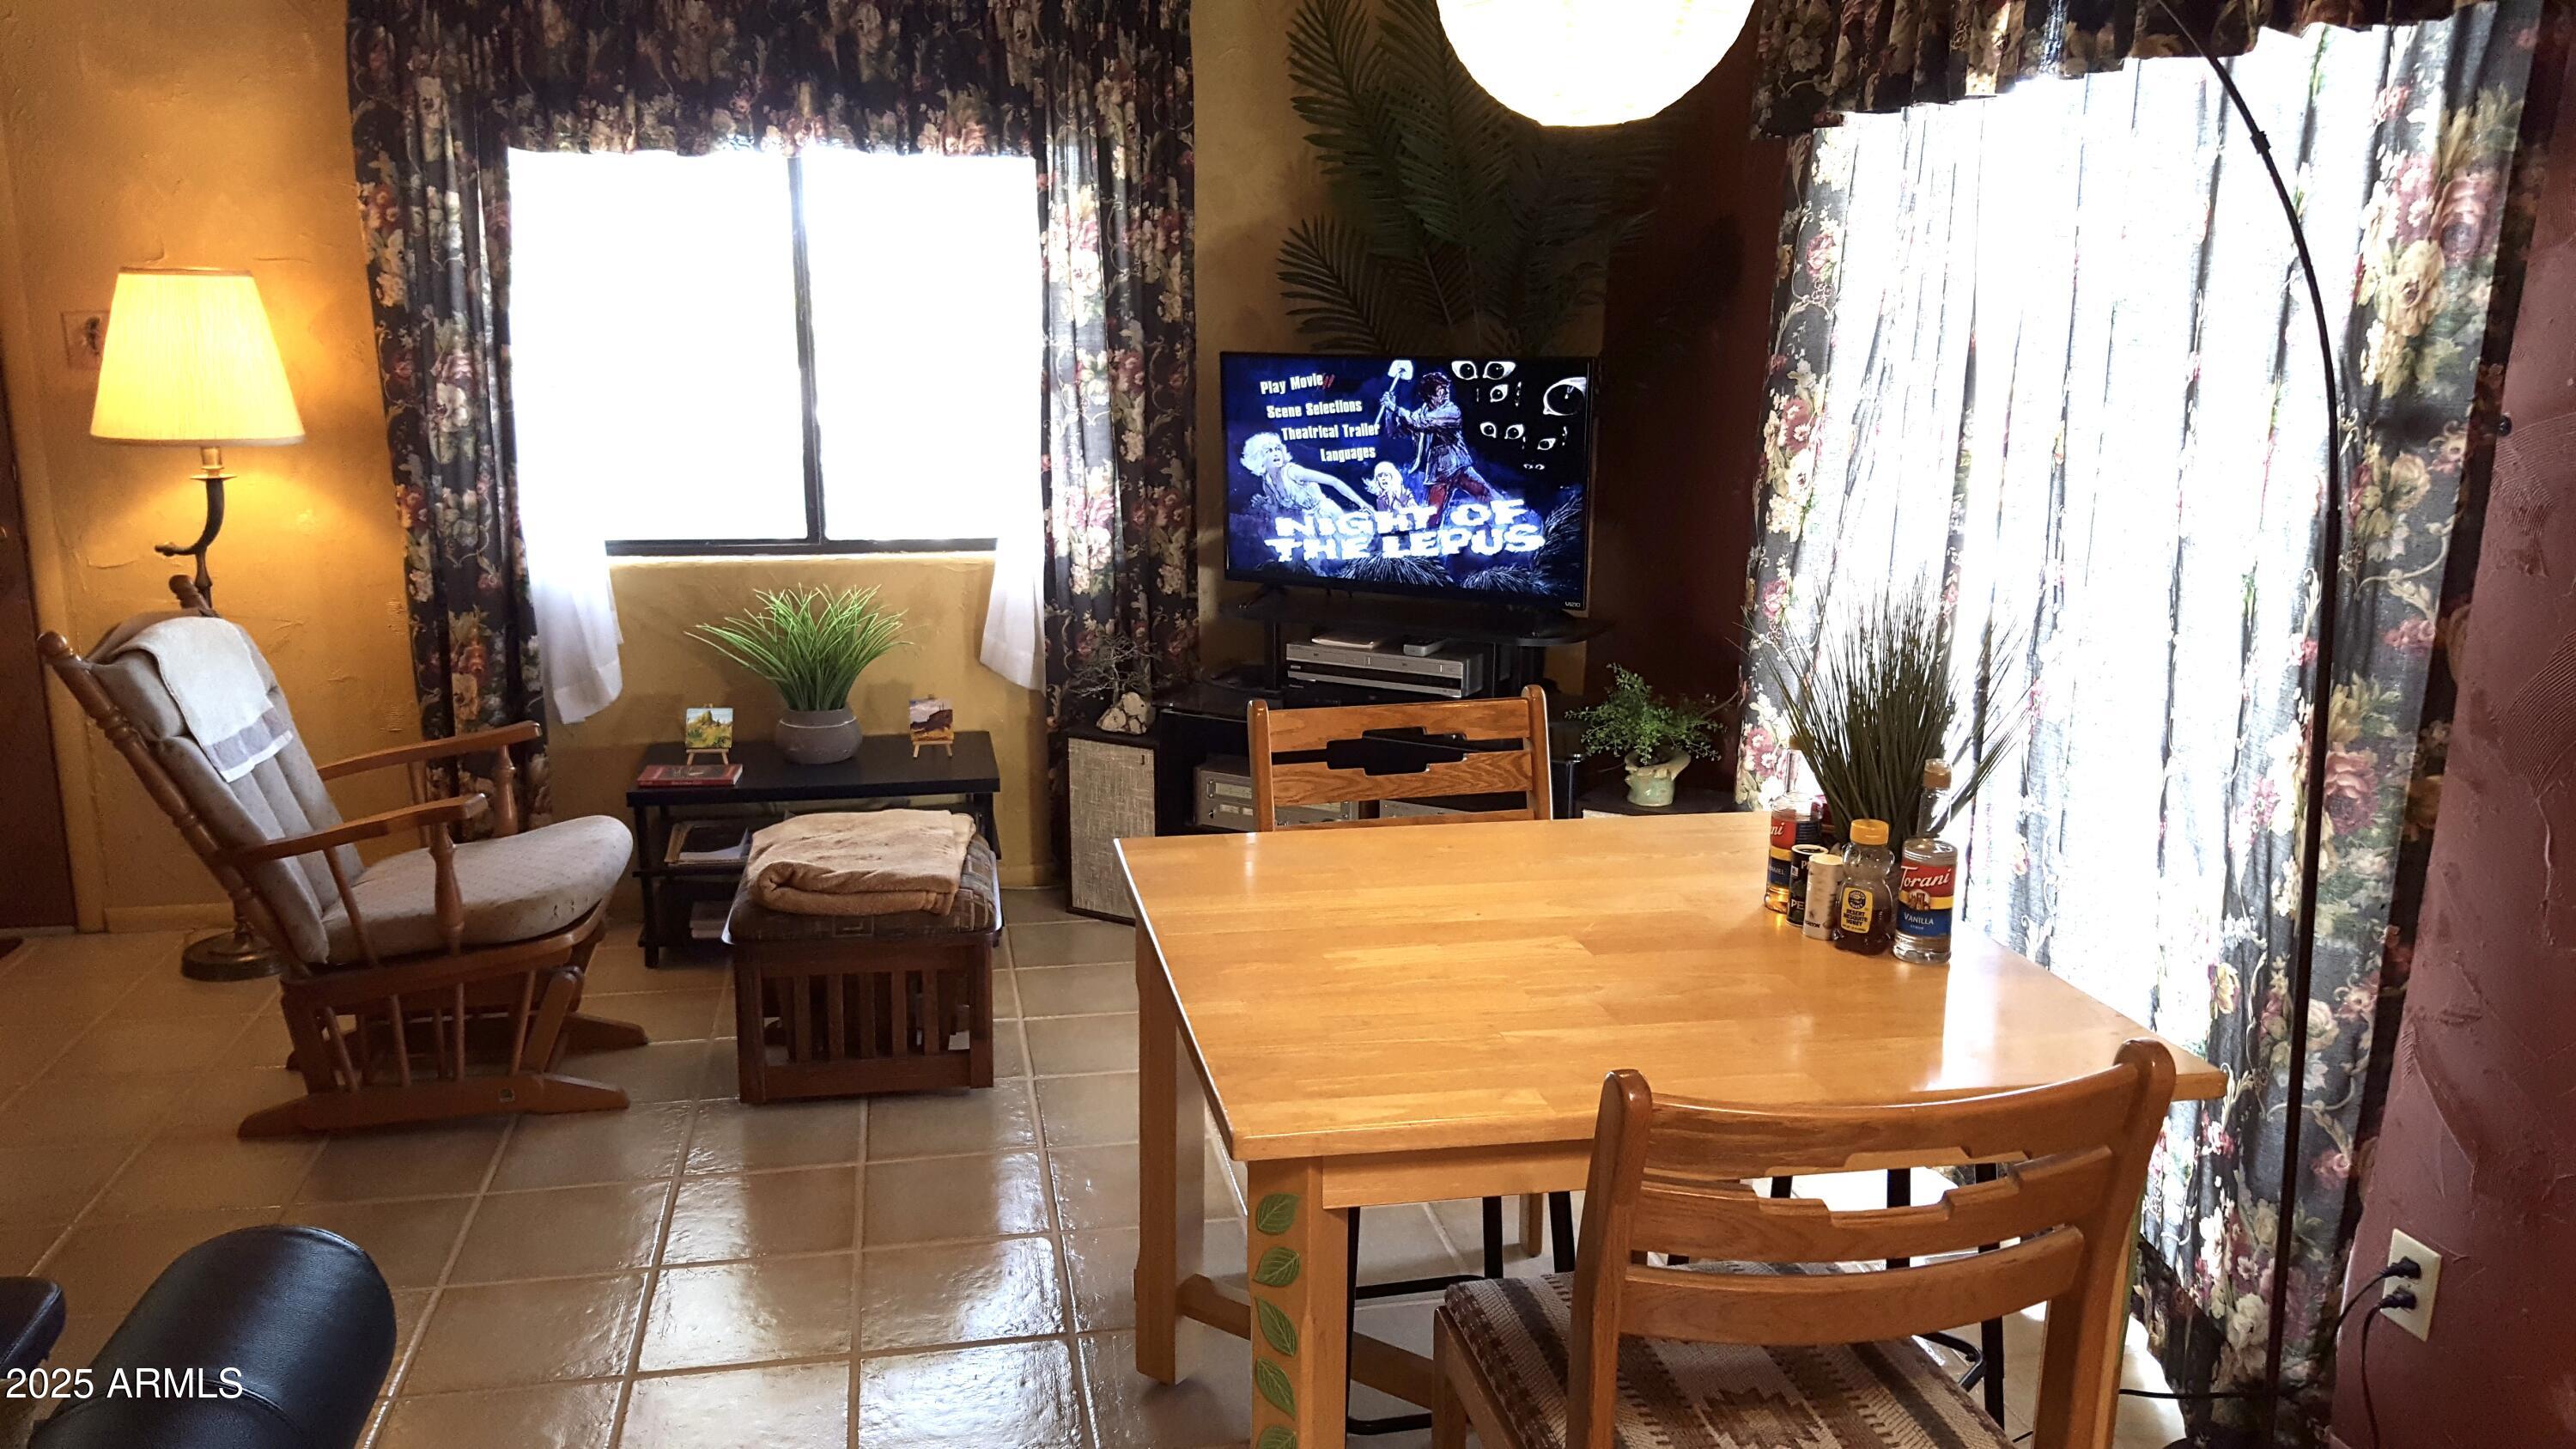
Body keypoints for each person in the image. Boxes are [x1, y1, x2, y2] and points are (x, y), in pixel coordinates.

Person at [1378, 371, 1496, 520]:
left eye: (1447, 389)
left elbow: (1421, 422)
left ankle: (1518, 521)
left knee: (1490, 498)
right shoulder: (1420, 413)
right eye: (1442, 390)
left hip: (1458, 468)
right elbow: (1395, 433)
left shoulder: (1451, 411)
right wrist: (1389, 411)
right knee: (1432, 517)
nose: (1447, 393)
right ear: (1430, 395)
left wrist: (1395, 408)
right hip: (1437, 474)